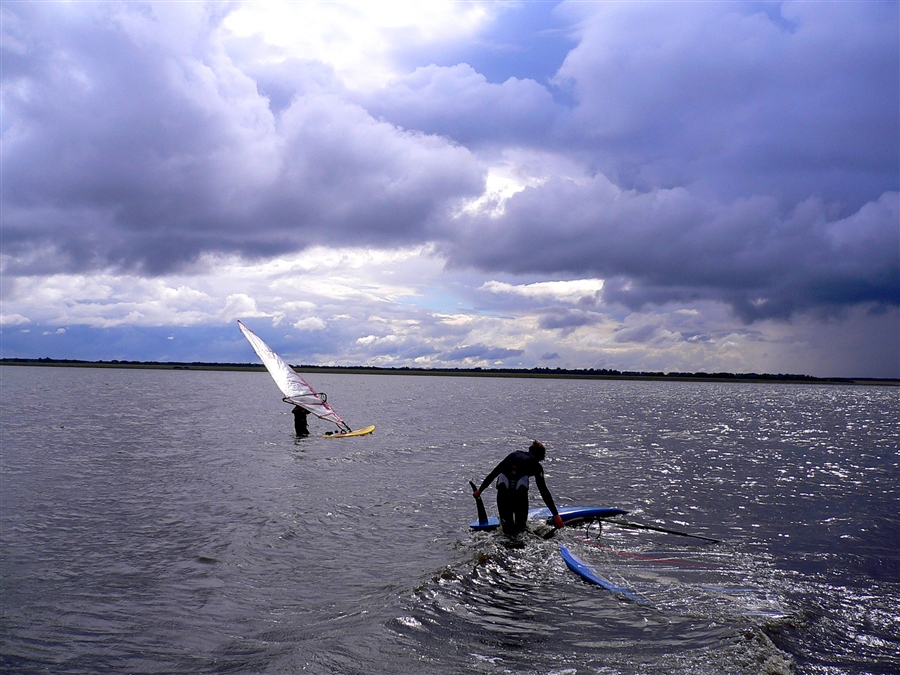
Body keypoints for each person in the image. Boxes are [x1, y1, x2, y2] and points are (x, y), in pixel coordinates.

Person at [473, 440, 565, 535]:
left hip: (503, 495)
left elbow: (493, 473)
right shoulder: (536, 465)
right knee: (521, 529)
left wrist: (480, 491)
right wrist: (556, 514)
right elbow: (543, 491)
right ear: (540, 457)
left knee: (506, 529)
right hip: (519, 497)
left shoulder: (512, 455)